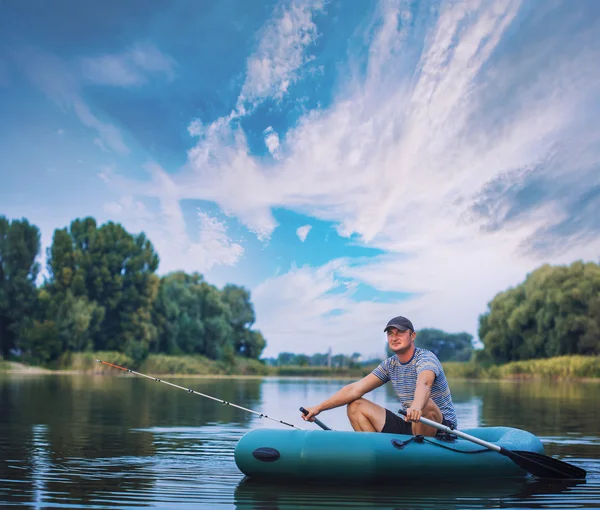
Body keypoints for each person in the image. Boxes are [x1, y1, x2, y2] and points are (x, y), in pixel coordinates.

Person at [301, 316, 458, 437]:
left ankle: (419, 458)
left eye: (400, 332)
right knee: (355, 405)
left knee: (426, 404)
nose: (394, 337)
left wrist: (416, 406)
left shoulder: (425, 358)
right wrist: (318, 408)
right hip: (410, 424)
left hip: (441, 428)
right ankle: (377, 454)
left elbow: (424, 384)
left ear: (412, 336)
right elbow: (355, 389)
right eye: (390, 333)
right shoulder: (390, 365)